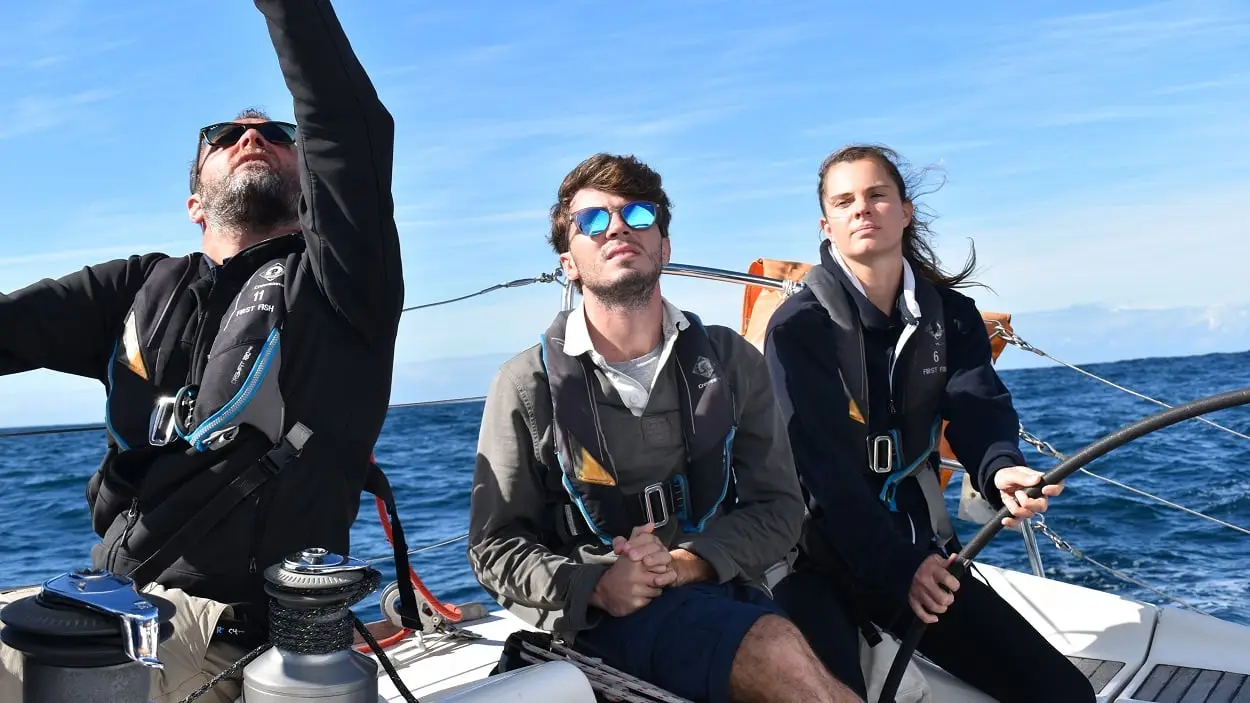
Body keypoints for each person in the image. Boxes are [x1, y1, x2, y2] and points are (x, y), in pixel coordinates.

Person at [0, 1, 403, 701]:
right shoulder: (136, 287)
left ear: (309, 184)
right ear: (194, 200)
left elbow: (347, 122)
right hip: (107, 605)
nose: (252, 137)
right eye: (226, 135)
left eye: (276, 133)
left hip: (232, 639)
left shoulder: (342, 281)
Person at [468, 153, 862, 703]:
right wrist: (596, 585)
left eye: (637, 214)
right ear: (570, 264)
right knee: (776, 652)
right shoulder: (525, 385)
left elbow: (779, 508)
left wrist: (687, 564)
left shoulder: (731, 362)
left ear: (665, 247)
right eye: (594, 221)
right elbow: (495, 546)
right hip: (600, 624)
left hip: (720, 588)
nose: (619, 227)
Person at [761, 144, 1096, 702]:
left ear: (905, 210)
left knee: (1064, 694)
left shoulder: (951, 315)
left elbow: (977, 406)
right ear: (828, 224)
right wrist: (902, 567)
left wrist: (1000, 468)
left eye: (876, 196)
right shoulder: (798, 329)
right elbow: (822, 475)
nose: (862, 210)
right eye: (845, 202)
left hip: (915, 553)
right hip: (815, 559)